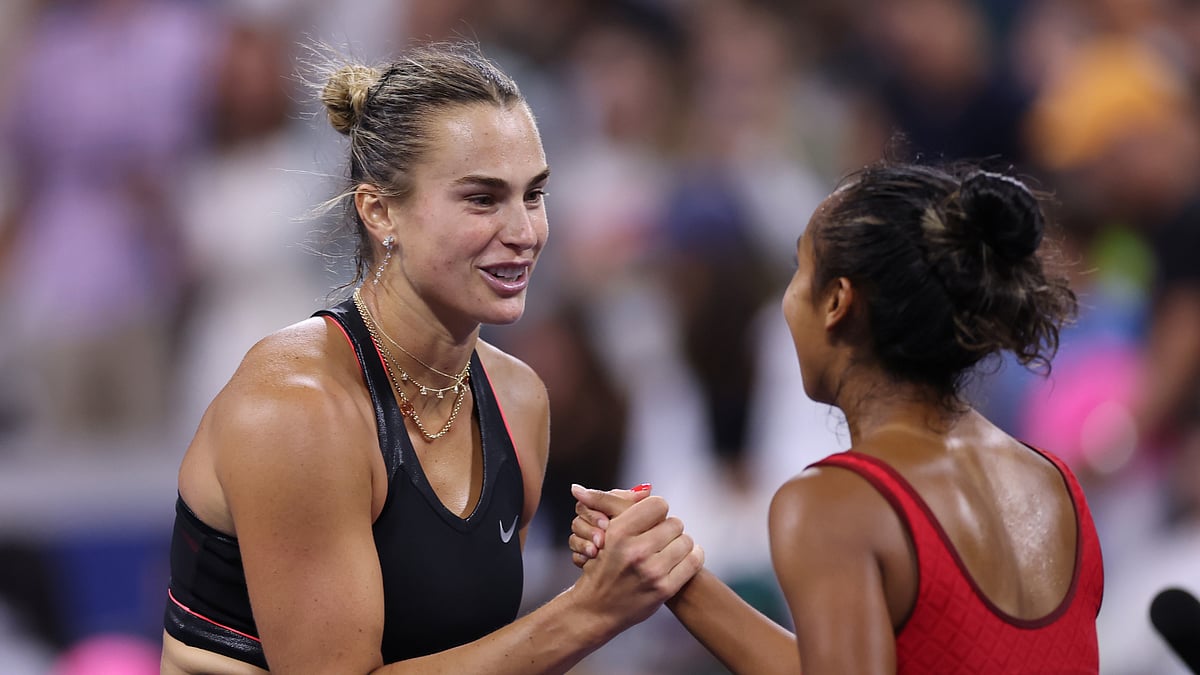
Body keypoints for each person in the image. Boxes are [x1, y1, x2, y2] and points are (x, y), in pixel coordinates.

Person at [159, 41, 703, 674]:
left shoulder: (518, 398)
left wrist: (611, 580)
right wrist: (588, 612)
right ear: (381, 210)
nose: (524, 232)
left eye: (534, 195)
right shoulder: (298, 406)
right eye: (482, 199)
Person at [572, 161, 1105, 673]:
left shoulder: (832, 504)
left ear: (837, 302)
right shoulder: (1056, 481)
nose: (785, 302)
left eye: (799, 271)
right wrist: (669, 567)